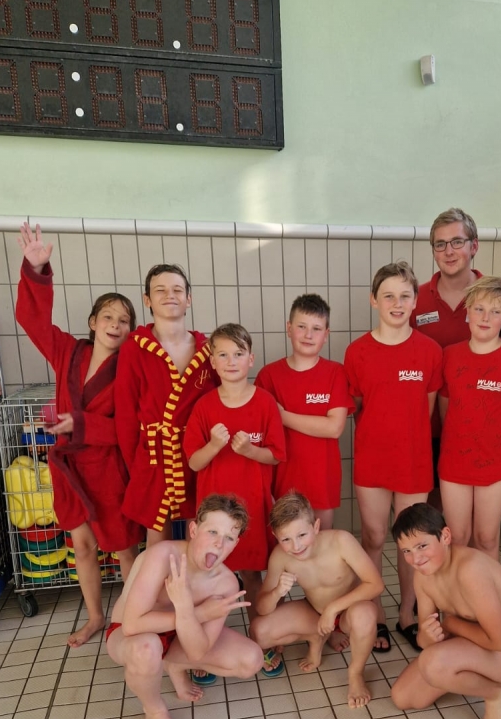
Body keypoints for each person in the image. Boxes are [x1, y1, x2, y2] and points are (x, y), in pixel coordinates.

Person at [16, 222, 142, 647]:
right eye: (108, 316)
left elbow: (129, 428)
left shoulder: (129, 370)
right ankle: (95, 617)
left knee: (124, 548)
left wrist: (81, 424)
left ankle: (133, 617)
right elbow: (32, 320)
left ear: (131, 331)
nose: (115, 324)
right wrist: (37, 269)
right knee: (83, 547)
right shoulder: (68, 352)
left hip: (107, 469)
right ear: (92, 321)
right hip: (70, 470)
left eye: (124, 320)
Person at [105, 494, 263, 719]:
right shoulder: (163, 556)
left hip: (179, 636)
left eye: (229, 538)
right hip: (130, 635)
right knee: (146, 649)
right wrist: (195, 613)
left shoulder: (226, 583)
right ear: (193, 530)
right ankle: (155, 711)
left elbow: (197, 651)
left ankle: (173, 664)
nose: (219, 543)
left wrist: (188, 612)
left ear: (236, 544)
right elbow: (133, 625)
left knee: (251, 660)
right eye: (212, 531)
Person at [343, 261, 443, 654]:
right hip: (372, 460)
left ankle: (406, 613)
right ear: (374, 300)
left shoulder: (429, 351)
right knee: (373, 536)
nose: (397, 303)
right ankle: (376, 613)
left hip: (414, 462)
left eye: (404, 296)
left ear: (416, 301)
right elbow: (358, 407)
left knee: (412, 541)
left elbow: (427, 409)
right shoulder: (357, 352)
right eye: (388, 296)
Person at [390, 504, 501, 719]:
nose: (415, 558)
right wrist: (427, 635)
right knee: (402, 697)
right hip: (472, 645)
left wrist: (451, 625)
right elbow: (426, 640)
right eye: (406, 551)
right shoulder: (423, 577)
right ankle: (466, 675)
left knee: (432, 664)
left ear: (445, 536)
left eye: (422, 546)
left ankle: (496, 692)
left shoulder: (471, 570)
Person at [184, 323, 286, 617]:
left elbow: (277, 455)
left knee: (252, 575)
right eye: (223, 355)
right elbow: (194, 462)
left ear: (250, 359)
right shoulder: (204, 407)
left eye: (238, 354)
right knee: (207, 574)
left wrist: (250, 451)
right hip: (214, 514)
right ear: (213, 362)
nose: (231, 361)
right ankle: (205, 636)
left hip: (251, 507)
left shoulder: (265, 402)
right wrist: (214, 445)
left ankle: (261, 632)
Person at [439, 276, 501, 559]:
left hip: (496, 463)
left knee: (486, 538)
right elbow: (446, 409)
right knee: (457, 538)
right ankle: (458, 590)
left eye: (495, 311)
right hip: (455, 460)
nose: (485, 318)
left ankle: (486, 589)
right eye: (479, 309)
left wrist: (498, 443)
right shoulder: (449, 356)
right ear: (467, 311)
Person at [115, 261, 217, 545]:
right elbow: (125, 415)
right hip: (154, 456)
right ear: (147, 300)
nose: (169, 295)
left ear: (189, 299)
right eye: (160, 290)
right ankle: (157, 577)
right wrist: (137, 464)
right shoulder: (134, 348)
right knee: (157, 538)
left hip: (200, 452)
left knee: (203, 529)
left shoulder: (210, 349)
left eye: (177, 289)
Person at [251, 492, 384, 708]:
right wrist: (276, 592)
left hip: (348, 613)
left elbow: (375, 584)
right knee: (259, 631)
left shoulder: (341, 541)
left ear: (316, 526)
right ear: (275, 536)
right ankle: (317, 637)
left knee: (366, 614)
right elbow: (262, 608)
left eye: (302, 535)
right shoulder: (280, 556)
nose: (296, 546)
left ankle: (355, 673)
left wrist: (333, 609)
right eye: (286, 539)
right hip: (314, 612)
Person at [255, 293, 353, 531]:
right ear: (289, 328)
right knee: (286, 543)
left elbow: (334, 428)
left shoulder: (335, 373)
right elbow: (260, 435)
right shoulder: (269, 376)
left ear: (326, 335)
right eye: (302, 327)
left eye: (316, 329)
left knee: (321, 543)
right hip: (281, 481)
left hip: (321, 481)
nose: (309, 335)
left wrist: (283, 416)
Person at [411, 207, 482, 502]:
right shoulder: (414, 299)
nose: (448, 251)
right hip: (425, 428)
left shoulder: (493, 297)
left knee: (470, 517)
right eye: (440, 244)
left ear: (473, 246)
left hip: (477, 428)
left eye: (457, 242)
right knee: (429, 513)